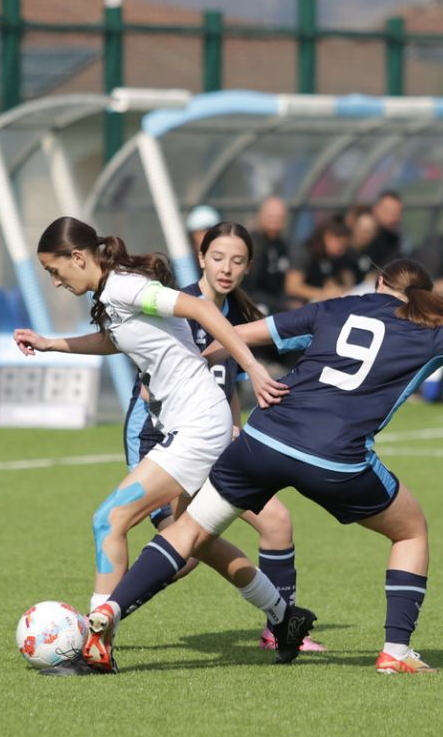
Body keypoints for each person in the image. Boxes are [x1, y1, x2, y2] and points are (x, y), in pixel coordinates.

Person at [80, 258, 443, 675]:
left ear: (379, 282)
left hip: (266, 436)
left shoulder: (337, 307)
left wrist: (190, 362)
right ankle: (395, 651)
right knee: (411, 530)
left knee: (189, 531)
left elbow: (245, 333)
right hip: (333, 457)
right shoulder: (435, 329)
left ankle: (108, 614)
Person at [10, 216, 301, 669]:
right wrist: (52, 344)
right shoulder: (111, 293)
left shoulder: (125, 287)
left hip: (197, 427)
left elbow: (201, 309)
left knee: (109, 520)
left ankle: (97, 644)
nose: (55, 281)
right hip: (196, 424)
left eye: (54, 270)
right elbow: (115, 340)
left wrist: (255, 369)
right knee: (196, 541)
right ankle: (285, 617)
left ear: (78, 257)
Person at [118, 221, 324, 654]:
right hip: (161, 439)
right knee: (186, 551)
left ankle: (279, 630)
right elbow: (150, 390)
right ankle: (101, 619)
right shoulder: (177, 307)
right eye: (217, 258)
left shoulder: (240, 318)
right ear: (200, 258)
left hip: (211, 439)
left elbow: (226, 389)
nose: (226, 268)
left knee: (273, 522)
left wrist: (238, 433)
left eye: (237, 261)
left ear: (248, 267)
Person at [286, 216, 363, 303]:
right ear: (329, 237)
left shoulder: (330, 256)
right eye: (340, 247)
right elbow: (292, 288)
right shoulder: (304, 252)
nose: (342, 252)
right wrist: (322, 293)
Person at [244, 195, 294, 312]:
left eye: (279, 218)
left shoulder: (281, 245)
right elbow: (249, 289)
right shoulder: (251, 244)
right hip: (255, 305)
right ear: (260, 216)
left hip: (276, 304)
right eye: (271, 217)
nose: (275, 223)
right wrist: (283, 305)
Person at [367, 191, 405, 264]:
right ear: (375, 210)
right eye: (390, 212)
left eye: (398, 213)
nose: (395, 218)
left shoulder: (394, 240)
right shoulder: (368, 240)